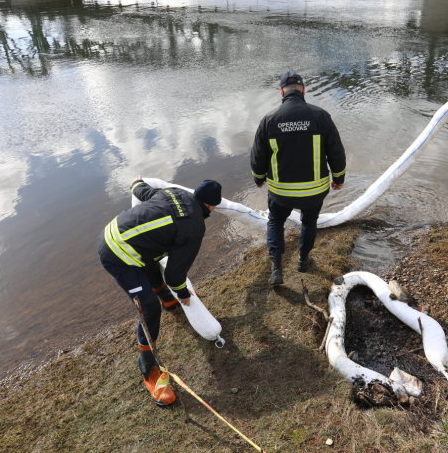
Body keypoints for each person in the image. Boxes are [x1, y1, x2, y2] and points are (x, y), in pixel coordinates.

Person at [97, 178, 222, 406]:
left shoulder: (174, 192)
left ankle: (166, 298)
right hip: (118, 255)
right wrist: (183, 293)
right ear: (212, 206)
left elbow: (142, 190)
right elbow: (175, 275)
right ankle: (147, 366)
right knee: (148, 306)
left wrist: (136, 182)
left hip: (112, 231)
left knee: (152, 251)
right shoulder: (194, 228)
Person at [250, 71, 346, 285]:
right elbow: (336, 151)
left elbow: (258, 155)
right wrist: (338, 177)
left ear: (281, 91)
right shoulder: (320, 116)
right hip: (314, 191)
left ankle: (276, 268)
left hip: (281, 192)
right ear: (303, 90)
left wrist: (258, 178)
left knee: (275, 221)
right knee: (309, 222)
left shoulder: (269, 120)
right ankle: (303, 261)